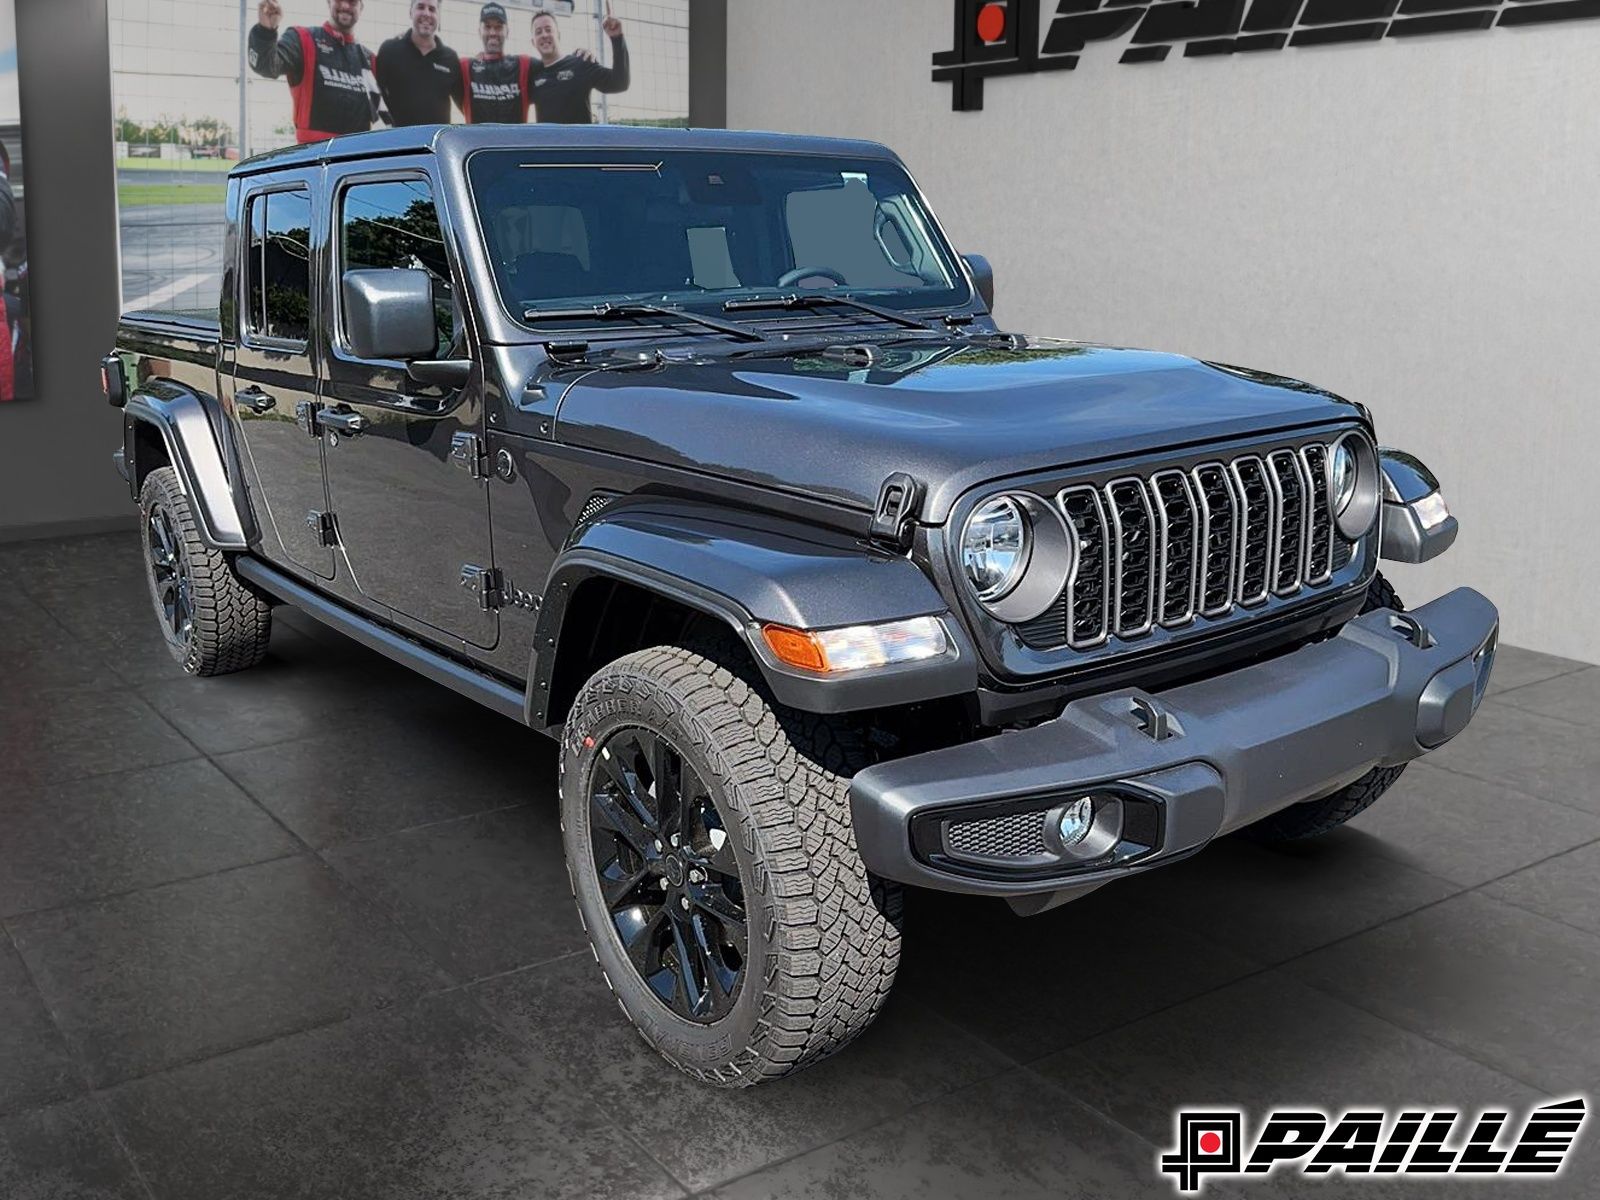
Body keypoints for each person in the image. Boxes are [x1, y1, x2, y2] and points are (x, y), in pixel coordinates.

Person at [249, 0, 382, 143]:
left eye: (352, 1)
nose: (345, 5)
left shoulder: (370, 59)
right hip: (314, 156)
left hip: (356, 158)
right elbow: (267, 65)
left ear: (361, 7)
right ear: (329, 2)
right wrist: (265, 32)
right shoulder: (303, 38)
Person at [528, 3, 629, 125]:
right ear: (533, 41)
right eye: (538, 32)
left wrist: (617, 38)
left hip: (581, 143)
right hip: (548, 144)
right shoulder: (532, 74)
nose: (544, 35)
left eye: (548, 30)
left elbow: (620, 83)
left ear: (558, 35)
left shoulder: (581, 62)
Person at [375, 0, 461, 127]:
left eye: (432, 9)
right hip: (400, 143)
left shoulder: (451, 58)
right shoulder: (389, 50)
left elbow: (466, 104)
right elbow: (376, 96)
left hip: (435, 144)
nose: (427, 13)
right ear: (411, 12)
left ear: (438, 15)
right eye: (421, 7)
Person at [457, 3, 532, 124]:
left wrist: (572, 59)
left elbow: (552, 67)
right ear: (479, 31)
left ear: (507, 31)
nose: (492, 32)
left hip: (514, 142)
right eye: (487, 27)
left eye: (498, 27)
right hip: (478, 143)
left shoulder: (523, 65)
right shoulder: (465, 67)